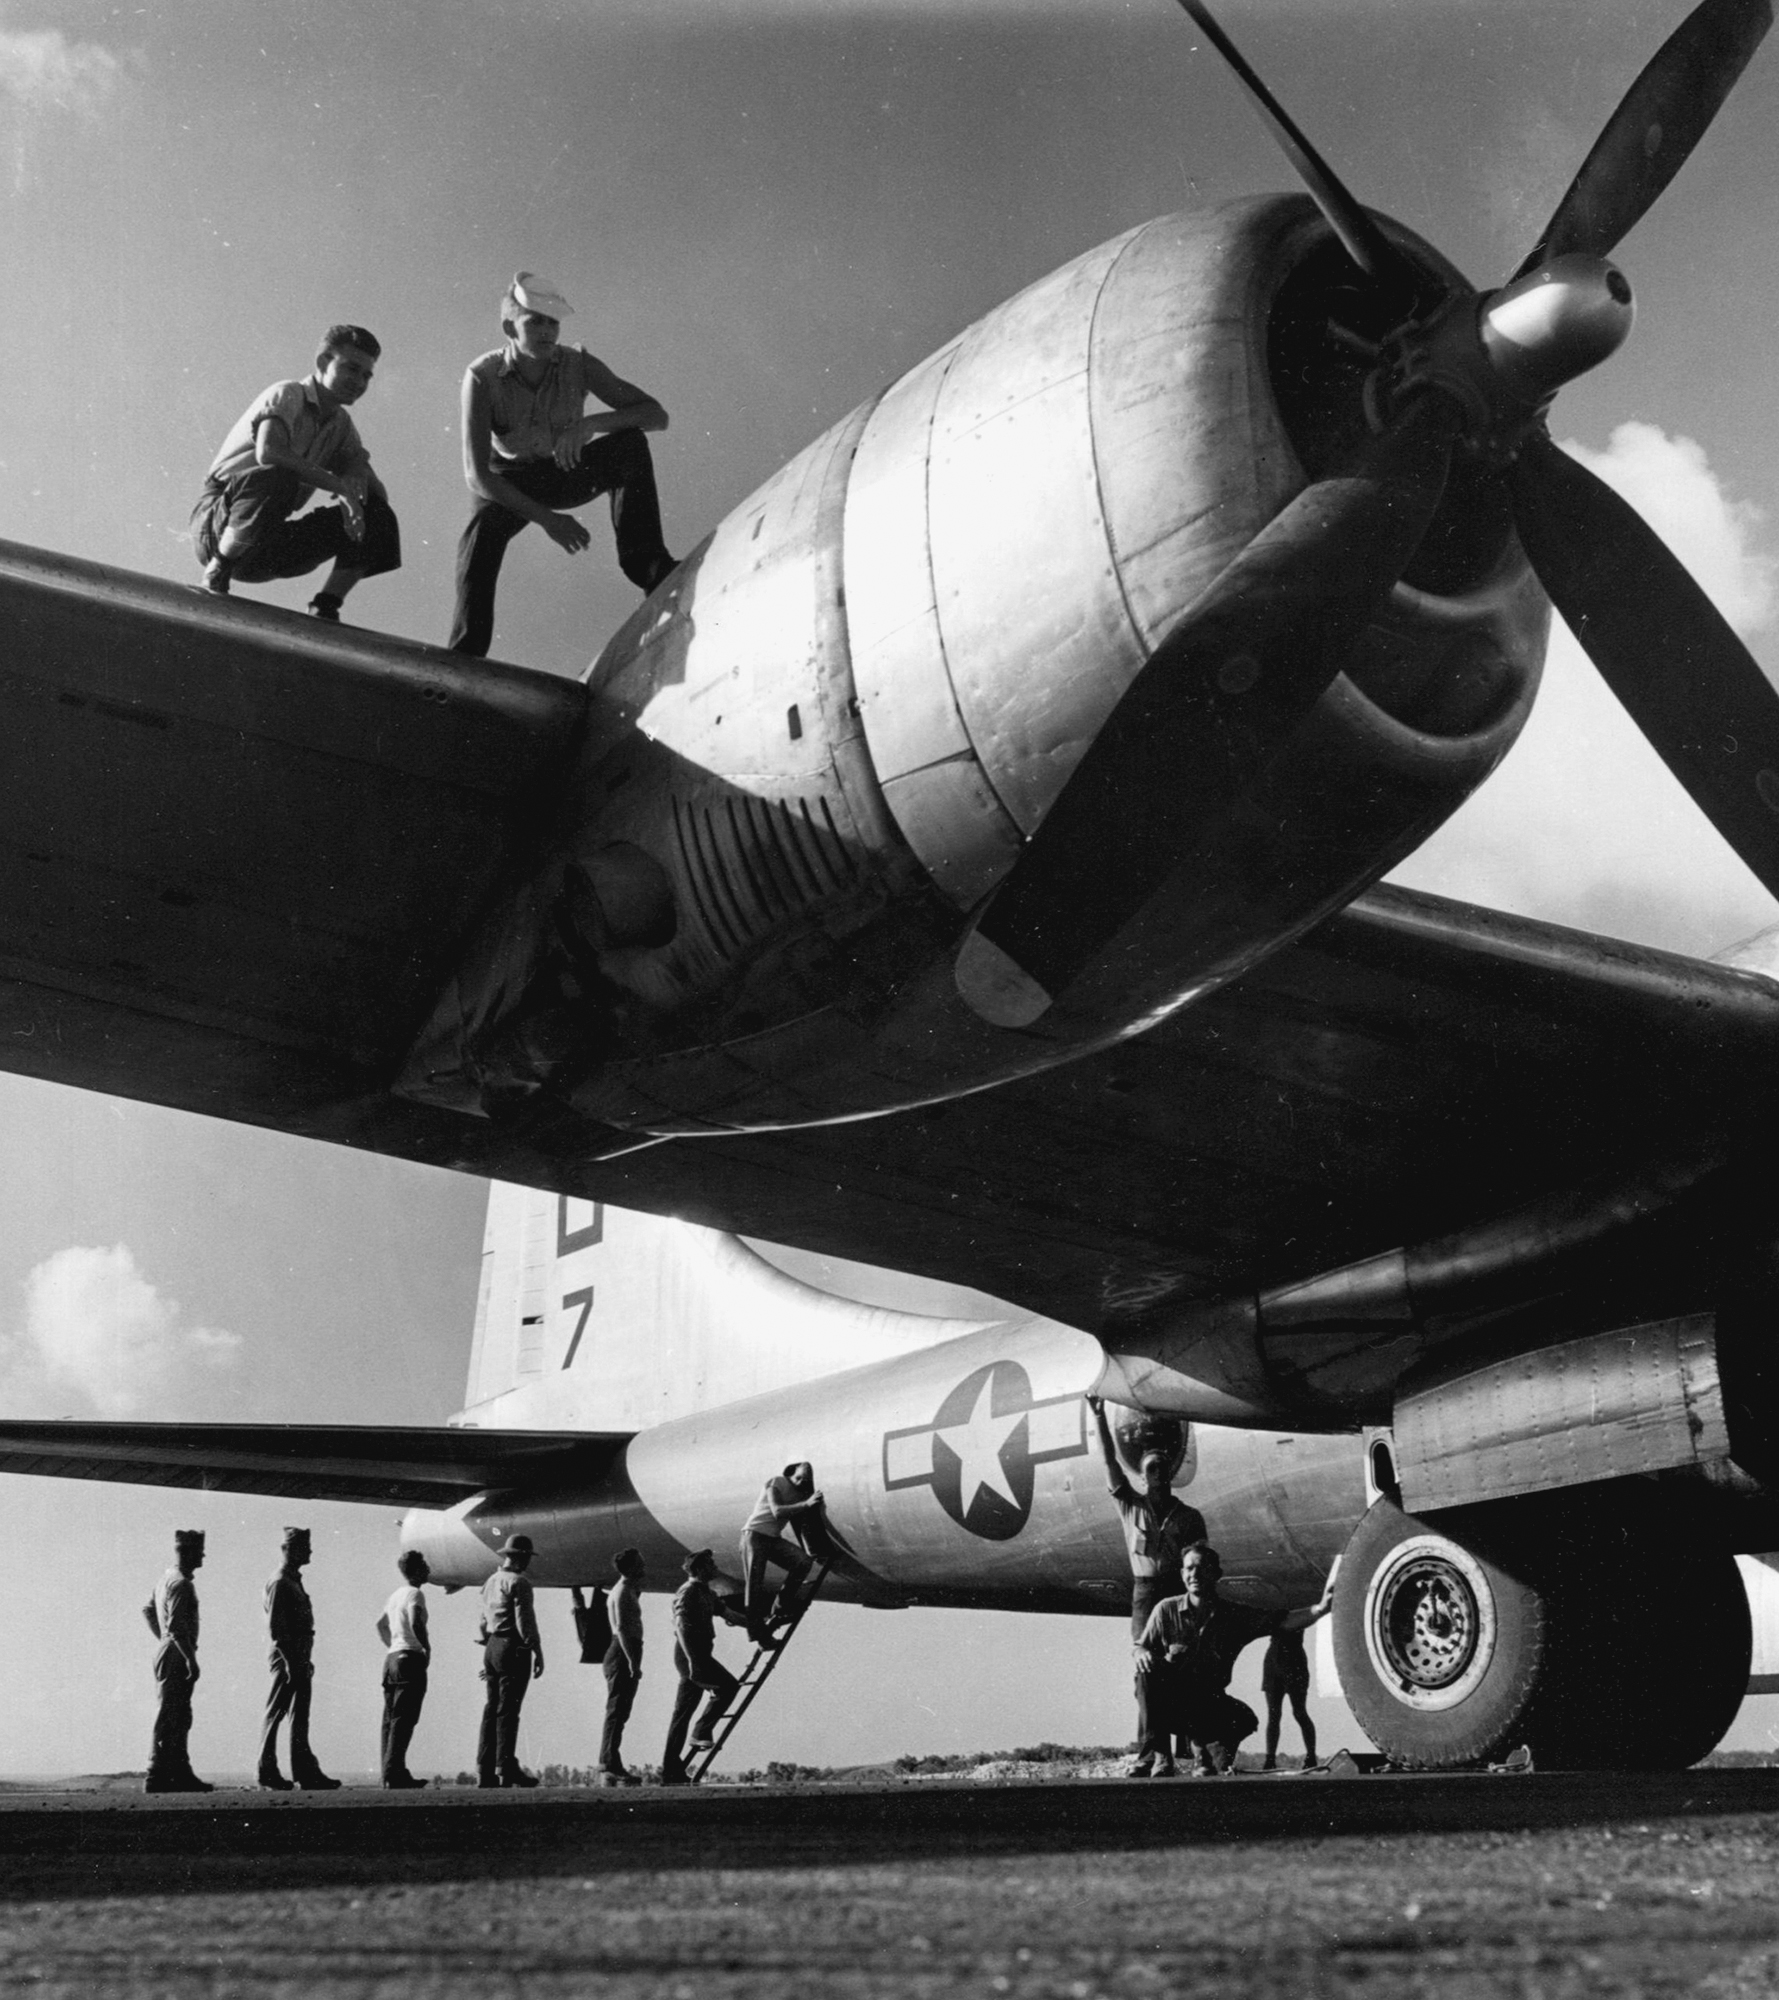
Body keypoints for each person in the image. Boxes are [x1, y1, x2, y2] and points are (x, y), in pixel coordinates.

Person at [446, 271, 677, 657]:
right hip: (509, 481)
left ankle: (650, 567)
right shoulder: (482, 377)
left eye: (553, 321)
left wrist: (591, 424)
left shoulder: (579, 364)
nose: (547, 330)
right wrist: (549, 520)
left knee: (629, 444)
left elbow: (656, 415)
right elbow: (477, 475)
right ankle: (466, 653)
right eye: (535, 320)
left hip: (564, 469)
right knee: (481, 531)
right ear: (509, 327)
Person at [192, 324, 400, 620]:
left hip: (267, 542)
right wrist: (341, 487)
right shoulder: (289, 393)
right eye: (352, 369)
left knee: (377, 514)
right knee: (278, 475)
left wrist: (357, 470)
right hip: (221, 524)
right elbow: (270, 452)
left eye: (366, 375)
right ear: (323, 363)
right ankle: (219, 568)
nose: (359, 381)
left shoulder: (342, 426)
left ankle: (326, 604)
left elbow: (377, 495)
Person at [1086, 1396, 1207, 1778]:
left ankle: (1176, 1755)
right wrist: (1100, 1416)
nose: (1158, 1474)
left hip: (1174, 1593)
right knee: (1145, 1671)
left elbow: (1200, 1561)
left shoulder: (1189, 1517)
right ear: (1142, 1476)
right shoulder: (1130, 1506)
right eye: (1151, 1469)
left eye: (1163, 1468)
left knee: (1178, 1668)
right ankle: (1151, 1753)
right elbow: (1108, 1461)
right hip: (1144, 1593)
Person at [1137, 1543, 1334, 1777]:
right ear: (1182, 1574)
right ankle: (1159, 1755)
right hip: (1173, 1704)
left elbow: (1282, 1621)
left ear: (1217, 1574)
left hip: (1208, 1703)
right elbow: (1140, 1646)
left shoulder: (1234, 1616)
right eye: (1189, 1568)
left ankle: (1206, 1755)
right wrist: (1141, 1652)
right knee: (1145, 1674)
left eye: (1202, 1568)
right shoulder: (1165, 1610)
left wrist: (1321, 1609)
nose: (1195, 1574)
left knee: (1242, 1722)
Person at [259, 1525, 341, 1791]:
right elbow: (276, 1630)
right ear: (289, 1550)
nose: (310, 1552)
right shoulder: (280, 1582)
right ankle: (267, 1770)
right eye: (304, 1548)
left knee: (299, 1715)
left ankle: (304, 1771)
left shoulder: (292, 1580)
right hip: (288, 1656)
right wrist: (292, 1661)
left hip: (300, 1656)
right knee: (277, 1712)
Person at [660, 1549, 749, 1786]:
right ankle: (701, 1731)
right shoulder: (687, 1592)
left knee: (682, 1714)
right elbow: (680, 1626)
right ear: (699, 1569)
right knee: (728, 1686)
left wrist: (759, 1625)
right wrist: (693, 1662)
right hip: (690, 1655)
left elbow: (729, 1613)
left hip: (698, 1654)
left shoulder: (706, 1593)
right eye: (710, 1564)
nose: (715, 1568)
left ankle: (671, 1771)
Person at [142, 1528, 212, 1794]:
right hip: (178, 1652)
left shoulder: (165, 1579)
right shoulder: (181, 1583)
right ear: (188, 1552)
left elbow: (148, 1609)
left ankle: (176, 1771)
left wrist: (163, 1637)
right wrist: (189, 1659)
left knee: (177, 1713)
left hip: (168, 1648)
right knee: (174, 1713)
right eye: (199, 1552)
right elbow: (178, 1627)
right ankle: (157, 1771)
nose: (202, 1557)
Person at [477, 1532, 544, 1788]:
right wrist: (537, 1650)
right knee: (508, 1711)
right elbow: (525, 1621)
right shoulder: (519, 1583)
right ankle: (505, 1766)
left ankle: (485, 1769)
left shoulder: (491, 1581)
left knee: (491, 1709)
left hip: (492, 1645)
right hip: (513, 1646)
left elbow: (482, 1621)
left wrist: (489, 1649)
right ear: (521, 1558)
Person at [741, 1460, 823, 1643]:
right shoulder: (776, 1482)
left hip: (771, 1538)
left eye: (806, 1480)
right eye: (798, 1477)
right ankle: (756, 1634)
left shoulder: (799, 1493)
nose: (801, 1481)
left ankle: (779, 1609)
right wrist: (807, 1504)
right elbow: (777, 1511)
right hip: (754, 1535)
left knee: (803, 1562)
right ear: (791, 1473)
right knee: (754, 1586)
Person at [375, 1549, 432, 1789]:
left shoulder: (396, 1595)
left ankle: (389, 1770)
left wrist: (393, 1646)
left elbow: (380, 1624)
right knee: (405, 1718)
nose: (428, 1569)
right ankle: (395, 1772)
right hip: (410, 1658)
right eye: (424, 1565)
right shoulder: (415, 1594)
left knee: (390, 1718)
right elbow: (415, 1621)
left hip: (392, 1659)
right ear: (417, 1570)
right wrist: (425, 1647)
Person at [598, 1547, 646, 1787]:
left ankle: (610, 1762)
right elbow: (623, 1630)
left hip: (624, 1651)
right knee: (617, 1710)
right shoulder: (623, 1592)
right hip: (623, 1652)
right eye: (640, 1563)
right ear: (630, 1567)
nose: (644, 1567)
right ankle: (608, 1763)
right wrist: (633, 1663)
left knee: (620, 1711)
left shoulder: (627, 1590)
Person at [1261, 1626, 1318, 1772]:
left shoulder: (1298, 1606)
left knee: (1299, 1712)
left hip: (1294, 1660)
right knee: (1274, 1715)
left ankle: (1311, 1757)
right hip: (1275, 1659)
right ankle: (1270, 1759)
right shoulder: (1274, 1608)